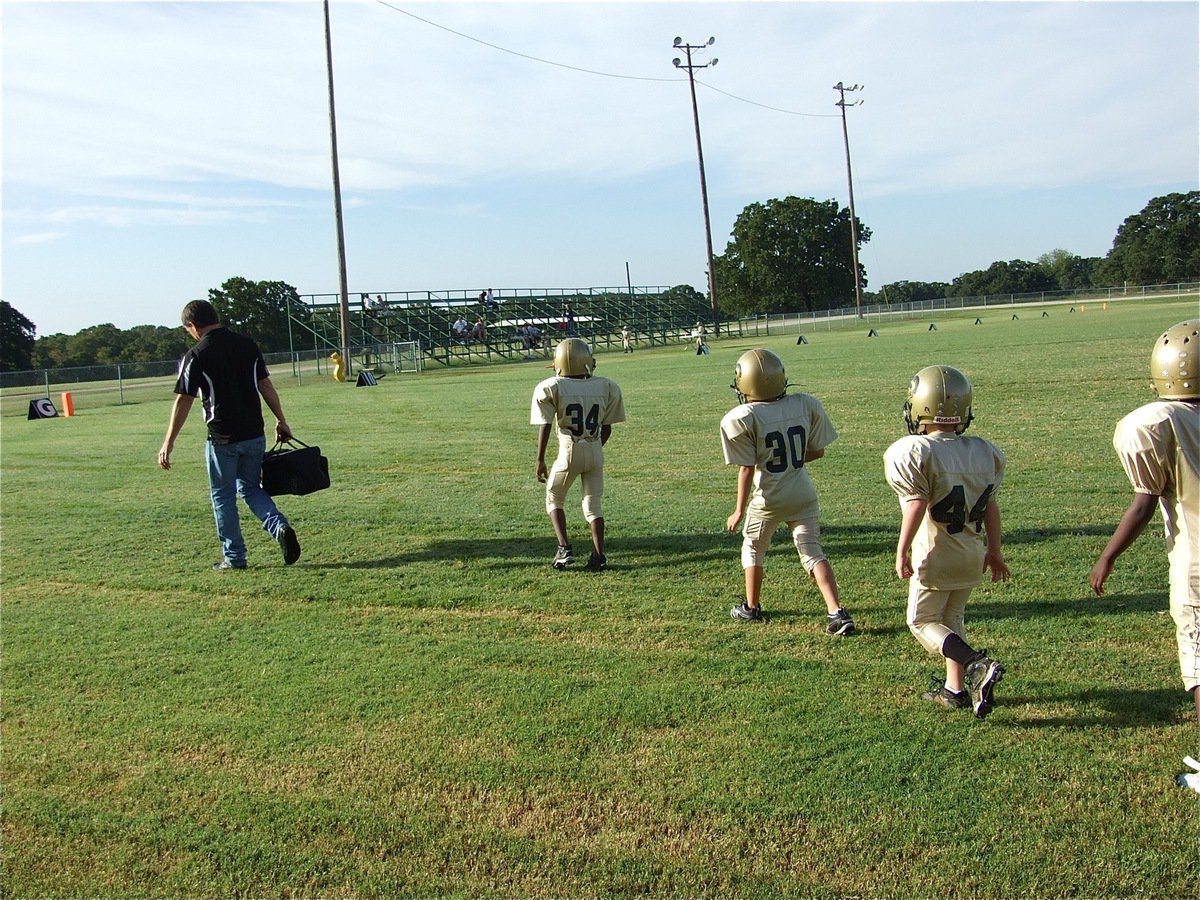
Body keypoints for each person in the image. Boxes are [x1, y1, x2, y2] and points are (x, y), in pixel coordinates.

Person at [1089, 320, 1199, 792]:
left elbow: (1144, 500)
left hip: (1196, 555)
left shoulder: (1158, 422)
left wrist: (1108, 556)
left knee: (1198, 658)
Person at [884, 365, 1008, 718]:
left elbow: (917, 504)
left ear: (918, 407)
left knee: (921, 621)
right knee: (952, 617)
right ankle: (955, 689)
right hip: (972, 551)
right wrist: (995, 551)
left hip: (936, 552)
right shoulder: (984, 451)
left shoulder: (916, 450)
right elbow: (992, 508)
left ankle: (974, 664)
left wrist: (902, 547)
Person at [158, 299, 301, 570]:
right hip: (253, 433)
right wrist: (281, 420)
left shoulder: (196, 354)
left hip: (222, 438)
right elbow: (265, 385)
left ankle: (234, 557)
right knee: (250, 488)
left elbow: (184, 400)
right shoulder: (247, 345)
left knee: (222, 497)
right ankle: (279, 526)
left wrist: (169, 441)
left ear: (192, 326)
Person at [721, 348, 854, 635]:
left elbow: (746, 468)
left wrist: (738, 510)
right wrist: (790, 459)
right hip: (801, 491)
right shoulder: (804, 404)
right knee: (811, 550)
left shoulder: (742, 416)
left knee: (753, 546)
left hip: (768, 496)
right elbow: (816, 451)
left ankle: (751, 606)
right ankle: (836, 611)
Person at [531, 338, 625, 571]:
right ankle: (598, 556)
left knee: (554, 497)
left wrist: (540, 459)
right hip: (595, 448)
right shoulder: (606, 386)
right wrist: (592, 448)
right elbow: (607, 427)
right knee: (593, 506)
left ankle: (564, 549)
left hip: (568, 450)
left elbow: (544, 424)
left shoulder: (552, 386)